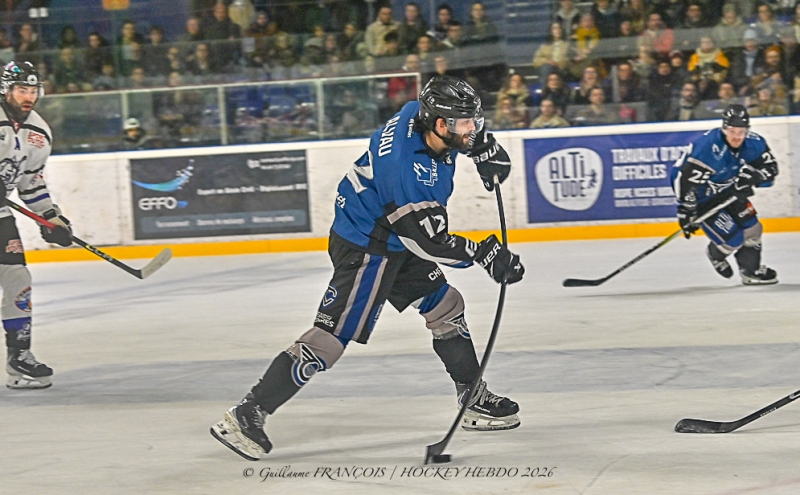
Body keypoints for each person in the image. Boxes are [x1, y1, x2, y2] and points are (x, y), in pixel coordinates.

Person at [210, 75, 525, 461]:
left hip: (390, 234)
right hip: (368, 246)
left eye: (474, 121)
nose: (471, 128)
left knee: (446, 307)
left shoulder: (416, 113)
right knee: (329, 339)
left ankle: (472, 397)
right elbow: (426, 242)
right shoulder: (409, 172)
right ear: (440, 124)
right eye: (464, 124)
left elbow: (420, 224)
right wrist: (484, 254)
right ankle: (246, 414)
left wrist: (482, 146)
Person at [0, 61, 73, 389]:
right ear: (6, 89)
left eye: (33, 90)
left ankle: (19, 360)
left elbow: (31, 184)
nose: (28, 97)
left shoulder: (39, 133)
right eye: (21, 90)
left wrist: (51, 218)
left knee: (18, 278)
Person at [671, 104, 778, 285]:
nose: (736, 137)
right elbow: (684, 180)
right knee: (733, 241)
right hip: (703, 198)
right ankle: (715, 254)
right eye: (732, 131)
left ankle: (751, 272)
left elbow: (771, 168)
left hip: (728, 190)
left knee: (753, 230)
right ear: (723, 128)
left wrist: (755, 177)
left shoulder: (754, 143)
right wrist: (687, 210)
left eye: (741, 132)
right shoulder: (708, 148)